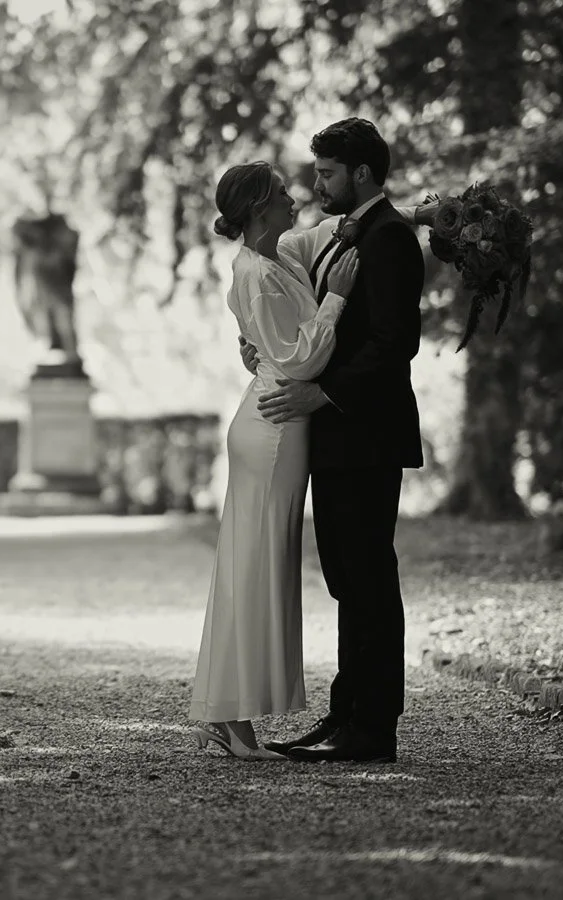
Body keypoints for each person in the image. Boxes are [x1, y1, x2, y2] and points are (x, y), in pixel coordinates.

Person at [250, 118, 427, 764]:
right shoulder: (352, 231)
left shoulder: (390, 240)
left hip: (368, 435)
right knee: (348, 579)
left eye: (327, 172)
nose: (317, 182)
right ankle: (347, 712)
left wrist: (322, 394)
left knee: (369, 579)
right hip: (340, 438)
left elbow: (393, 344)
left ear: (362, 173)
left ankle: (375, 728)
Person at [187, 160, 362, 759]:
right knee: (254, 571)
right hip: (274, 429)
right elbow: (297, 360)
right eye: (284, 196)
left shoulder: (276, 255)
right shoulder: (256, 272)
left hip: (274, 424)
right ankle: (231, 719)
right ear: (260, 208)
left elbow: (322, 236)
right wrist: (336, 302)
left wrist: (416, 214)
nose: (297, 201)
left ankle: (229, 713)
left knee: (256, 568)